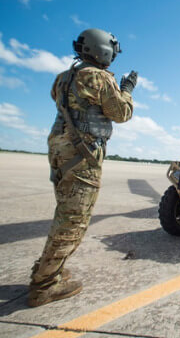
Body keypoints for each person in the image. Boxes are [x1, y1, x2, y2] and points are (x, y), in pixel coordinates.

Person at [29, 28, 137, 307]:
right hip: (82, 154)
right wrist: (126, 89)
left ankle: (49, 267)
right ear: (102, 49)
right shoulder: (99, 77)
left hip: (60, 150)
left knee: (65, 211)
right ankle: (44, 285)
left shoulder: (64, 77)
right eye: (112, 49)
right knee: (73, 220)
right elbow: (121, 113)